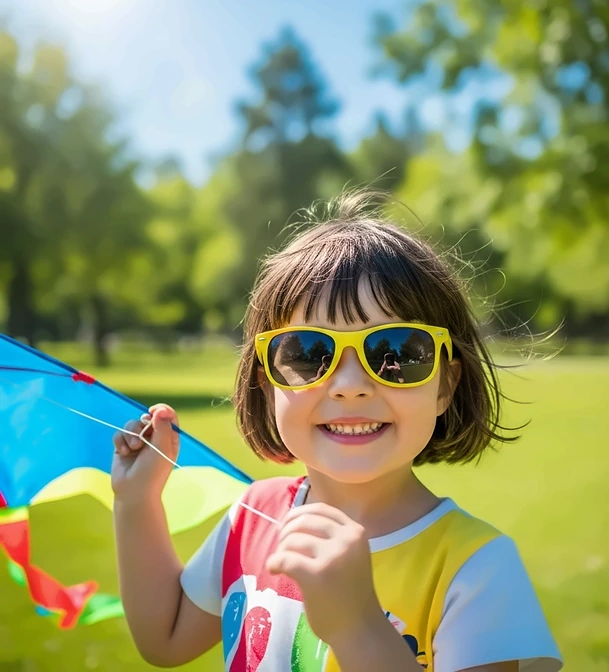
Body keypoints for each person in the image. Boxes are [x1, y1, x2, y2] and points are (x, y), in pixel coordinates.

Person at [112, 189, 564, 672]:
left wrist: (359, 628)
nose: (350, 387)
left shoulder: (475, 567)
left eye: (396, 352)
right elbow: (165, 639)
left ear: (445, 385)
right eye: (309, 353)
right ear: (267, 382)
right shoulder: (253, 518)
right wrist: (137, 504)